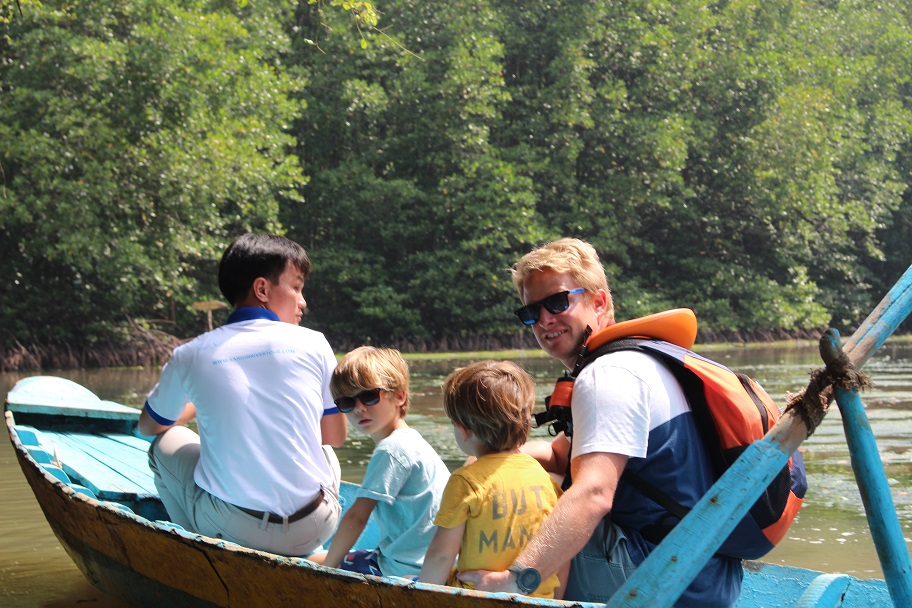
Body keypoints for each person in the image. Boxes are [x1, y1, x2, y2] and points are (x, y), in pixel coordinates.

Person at [458, 238, 742, 606]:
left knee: (515, 502)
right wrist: (488, 460)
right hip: (705, 573)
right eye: (531, 312)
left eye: (558, 302)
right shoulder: (640, 359)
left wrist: (517, 580)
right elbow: (562, 457)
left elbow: (593, 495)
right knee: (531, 479)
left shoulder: (607, 376)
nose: (544, 320)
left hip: (662, 580)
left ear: (599, 302)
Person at [138, 232, 347, 557]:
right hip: (315, 525)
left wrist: (199, 404)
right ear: (262, 289)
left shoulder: (191, 354)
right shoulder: (315, 343)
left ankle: (198, 549)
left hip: (231, 529)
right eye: (296, 287)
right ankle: (312, 553)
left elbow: (150, 426)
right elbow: (334, 435)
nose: (303, 301)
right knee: (327, 453)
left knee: (161, 446)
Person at [420, 360, 565, 599]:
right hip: (537, 597)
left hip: (477, 597)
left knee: (406, 579)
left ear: (463, 429)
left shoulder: (465, 482)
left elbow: (442, 555)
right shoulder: (542, 476)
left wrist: (420, 599)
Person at [309, 346, 449, 578]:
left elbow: (357, 517)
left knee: (313, 562)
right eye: (346, 402)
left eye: (369, 396)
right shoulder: (411, 440)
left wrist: (327, 571)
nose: (359, 408)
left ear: (399, 396)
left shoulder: (391, 449)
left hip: (403, 568)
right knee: (322, 557)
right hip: (428, 562)